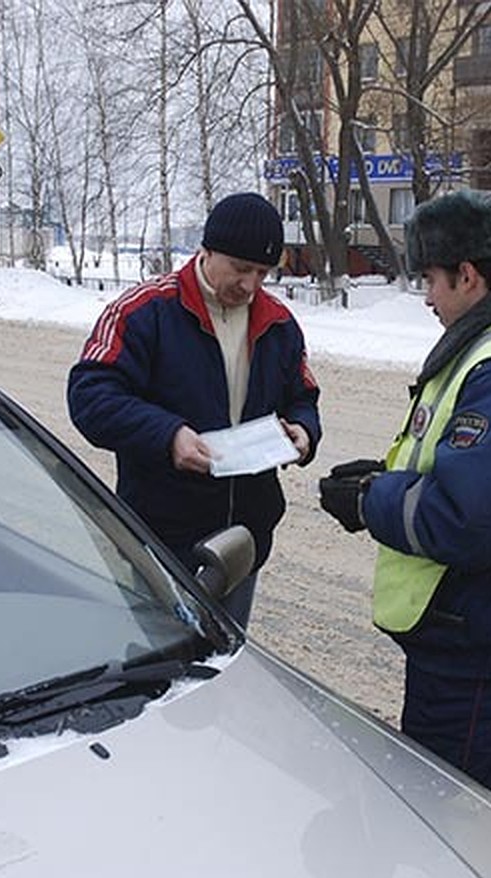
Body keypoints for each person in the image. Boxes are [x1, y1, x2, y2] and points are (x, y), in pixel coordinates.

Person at [317, 189, 491, 800]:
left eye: (431, 280)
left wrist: (370, 503)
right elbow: (455, 468)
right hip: (476, 627)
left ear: (468, 276)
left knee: (448, 815)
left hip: (477, 643)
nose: (428, 297)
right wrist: (380, 480)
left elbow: (467, 519)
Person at [67, 192, 321, 630]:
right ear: (205, 251)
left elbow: (303, 395)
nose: (250, 285)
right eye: (240, 269)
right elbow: (90, 395)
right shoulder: (145, 311)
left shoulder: (278, 323)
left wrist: (303, 430)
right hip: (160, 536)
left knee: (223, 656)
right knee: (159, 660)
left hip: (243, 538)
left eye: (263, 272)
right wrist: (168, 435)